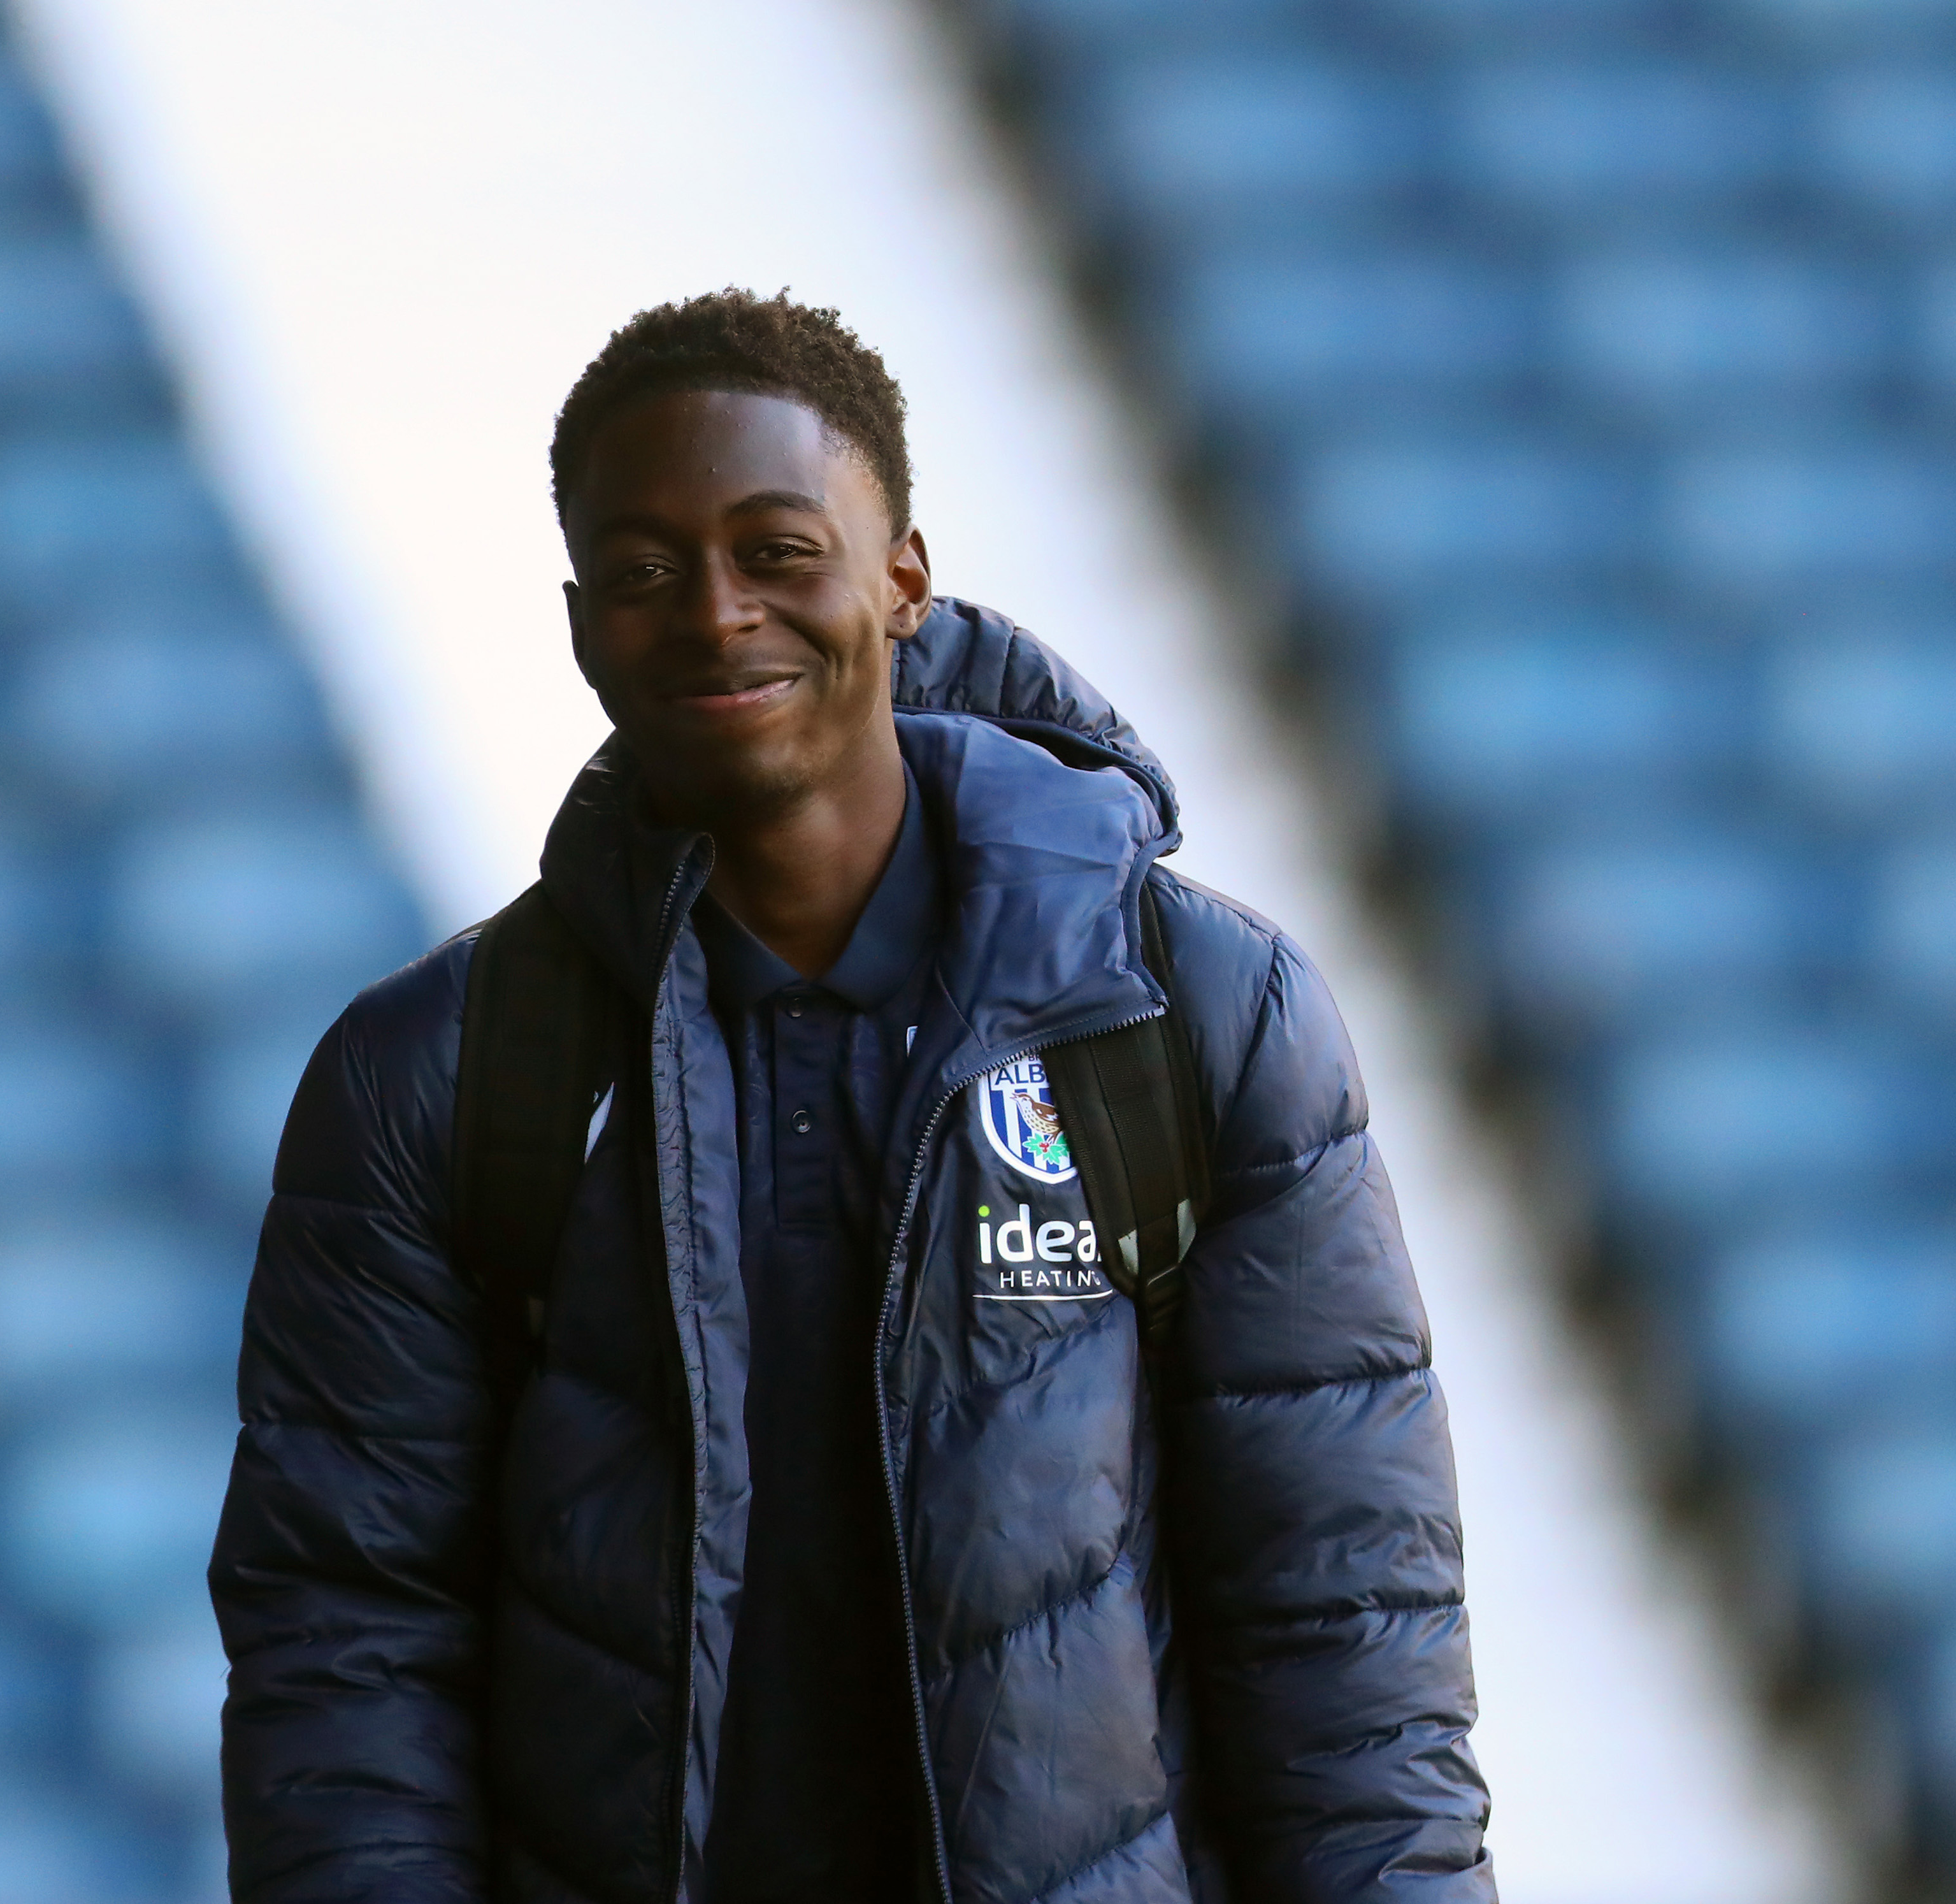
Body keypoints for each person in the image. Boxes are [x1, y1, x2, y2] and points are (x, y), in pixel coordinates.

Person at [210, 291, 1493, 1903]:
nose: (713, 614)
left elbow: (1343, 1614)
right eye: (642, 571)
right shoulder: (438, 1076)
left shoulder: (1193, 1015)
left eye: (777, 549)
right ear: (579, 619)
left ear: (901, 578)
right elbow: (346, 1635)